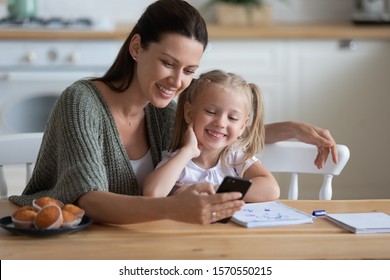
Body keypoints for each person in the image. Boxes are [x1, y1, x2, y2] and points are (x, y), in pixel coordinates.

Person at [9, 0, 337, 225]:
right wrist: (173, 208)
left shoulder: (163, 111)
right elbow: (89, 199)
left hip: (141, 242)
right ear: (137, 48)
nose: (177, 82)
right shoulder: (81, 102)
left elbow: (213, 135)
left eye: (189, 70)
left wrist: (290, 129)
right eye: (168, 63)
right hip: (72, 241)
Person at [143, 70, 280, 202]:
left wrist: (214, 192)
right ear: (189, 113)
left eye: (232, 118)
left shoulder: (235, 158)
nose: (220, 123)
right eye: (211, 111)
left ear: (242, 126)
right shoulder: (179, 160)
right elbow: (152, 193)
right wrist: (188, 151)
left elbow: (271, 189)